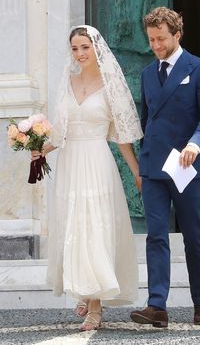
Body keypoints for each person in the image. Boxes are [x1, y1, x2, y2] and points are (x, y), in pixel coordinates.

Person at [31, 25, 143, 331]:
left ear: (97, 48)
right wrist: (39, 147)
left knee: (94, 228)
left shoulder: (110, 85)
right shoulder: (67, 81)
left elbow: (121, 135)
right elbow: (61, 130)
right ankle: (84, 287)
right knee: (74, 226)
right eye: (75, 49)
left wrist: (136, 170)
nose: (80, 54)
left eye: (85, 47)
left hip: (97, 161)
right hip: (70, 163)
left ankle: (95, 305)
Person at [130, 7, 200, 328]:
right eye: (151, 39)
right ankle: (157, 305)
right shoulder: (145, 74)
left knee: (193, 235)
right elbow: (146, 120)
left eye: (161, 39)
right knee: (156, 236)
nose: (155, 45)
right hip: (155, 166)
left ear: (177, 35)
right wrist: (142, 162)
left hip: (188, 165)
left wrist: (196, 144)